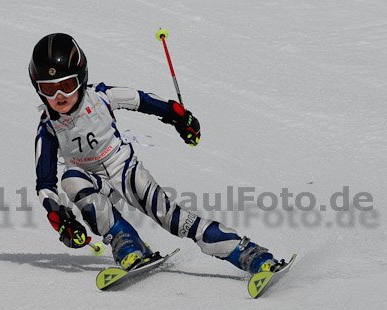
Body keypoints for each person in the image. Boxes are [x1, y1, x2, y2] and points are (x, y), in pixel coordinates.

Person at [30, 32, 284, 274]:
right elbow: (45, 185)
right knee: (71, 178)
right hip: (92, 182)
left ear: (81, 78)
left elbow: (142, 100)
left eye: (67, 85)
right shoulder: (49, 128)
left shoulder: (100, 97)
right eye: (50, 89)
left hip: (124, 169)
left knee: (173, 219)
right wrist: (59, 216)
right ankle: (126, 242)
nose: (60, 96)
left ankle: (249, 254)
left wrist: (179, 117)